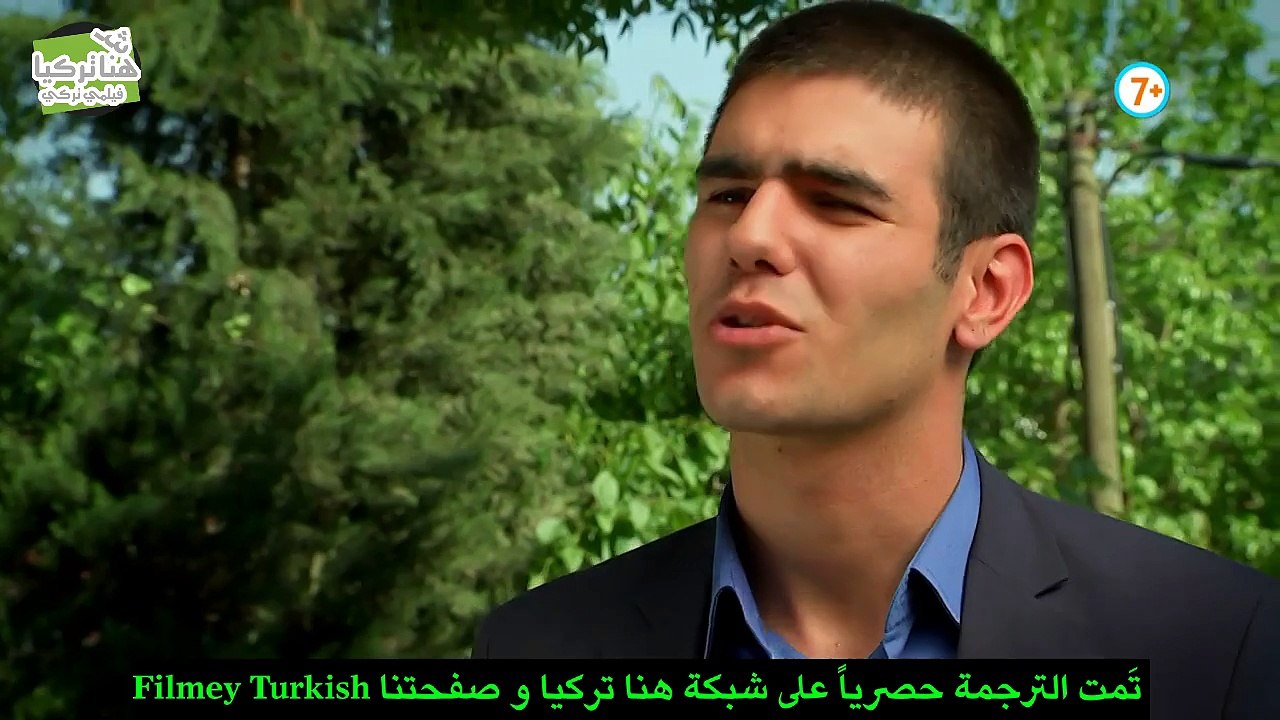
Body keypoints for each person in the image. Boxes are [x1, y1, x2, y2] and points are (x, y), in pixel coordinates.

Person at [471, 1, 1279, 717]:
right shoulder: (538, 648)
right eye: (726, 196)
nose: (749, 236)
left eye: (836, 203)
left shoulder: (1212, 645)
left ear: (986, 290)